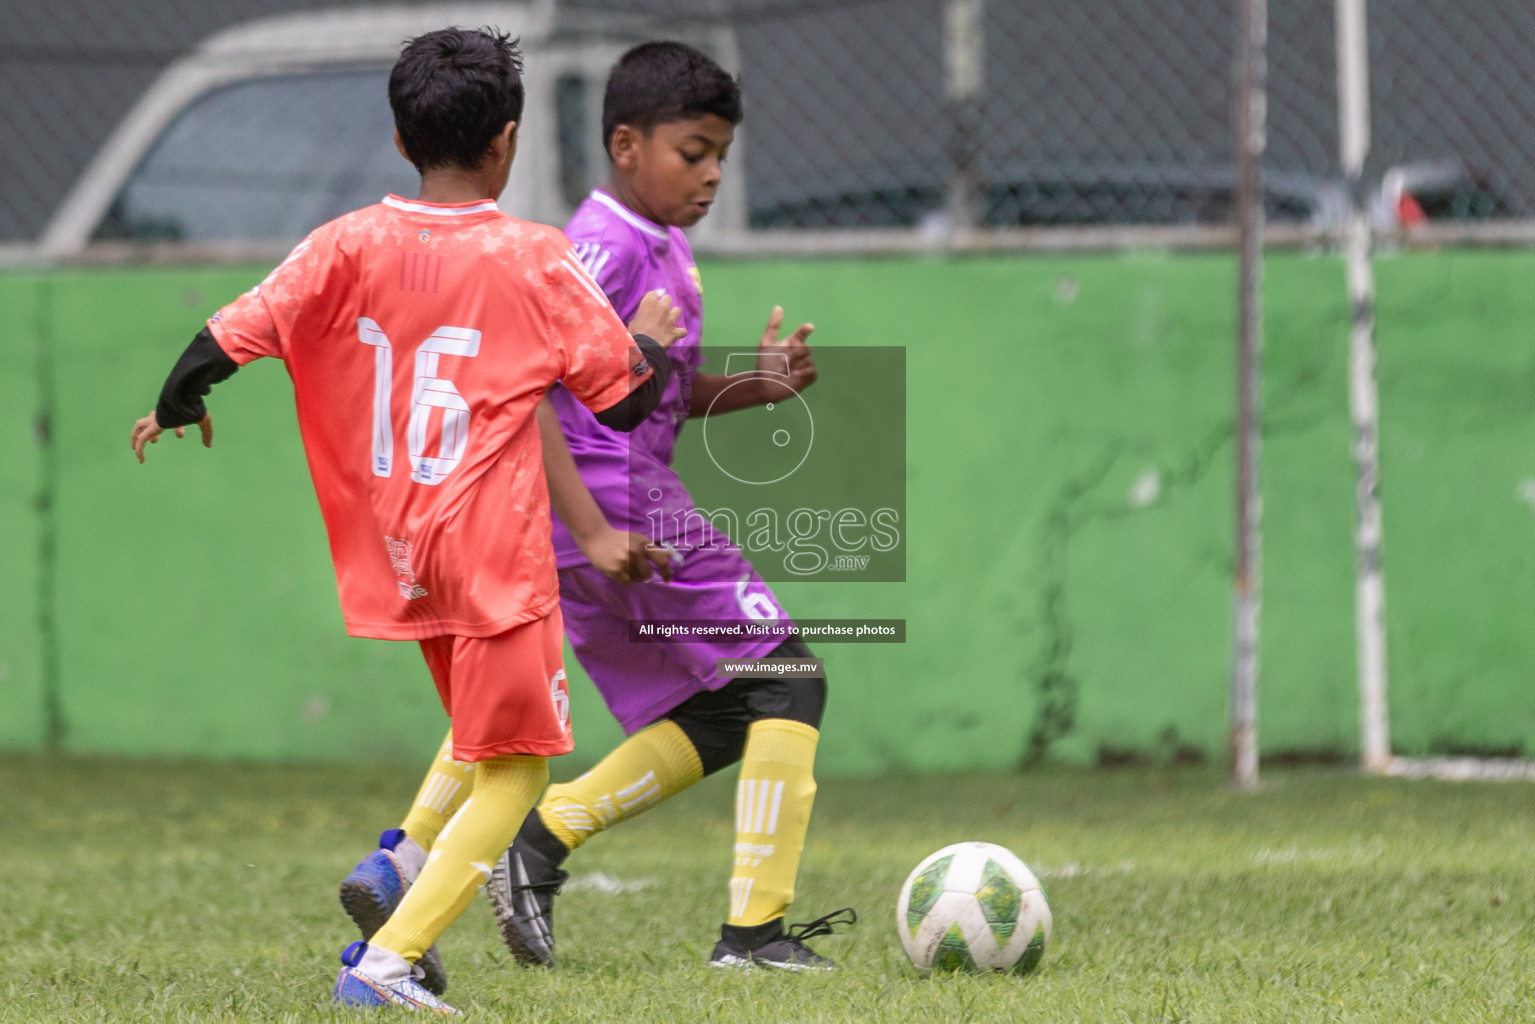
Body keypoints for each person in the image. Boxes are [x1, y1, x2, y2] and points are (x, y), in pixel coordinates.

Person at [130, 27, 682, 1014]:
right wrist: (642, 336)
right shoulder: (534, 258)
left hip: (399, 549)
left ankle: (406, 921)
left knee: (481, 746)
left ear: (397, 138)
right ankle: (388, 959)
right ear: (507, 141)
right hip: (493, 552)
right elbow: (627, 402)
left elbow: (223, 335)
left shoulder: (344, 243)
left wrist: (177, 405)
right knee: (519, 773)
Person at [341, 40, 854, 978]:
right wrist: (590, 529)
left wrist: (754, 388)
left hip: (605, 513)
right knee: (790, 679)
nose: (707, 176)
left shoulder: (655, 241)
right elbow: (529, 385)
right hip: (617, 507)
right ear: (625, 143)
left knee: (728, 703)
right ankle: (751, 936)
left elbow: (635, 388)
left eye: (719, 159)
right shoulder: (603, 245)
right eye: (690, 152)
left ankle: (527, 841)